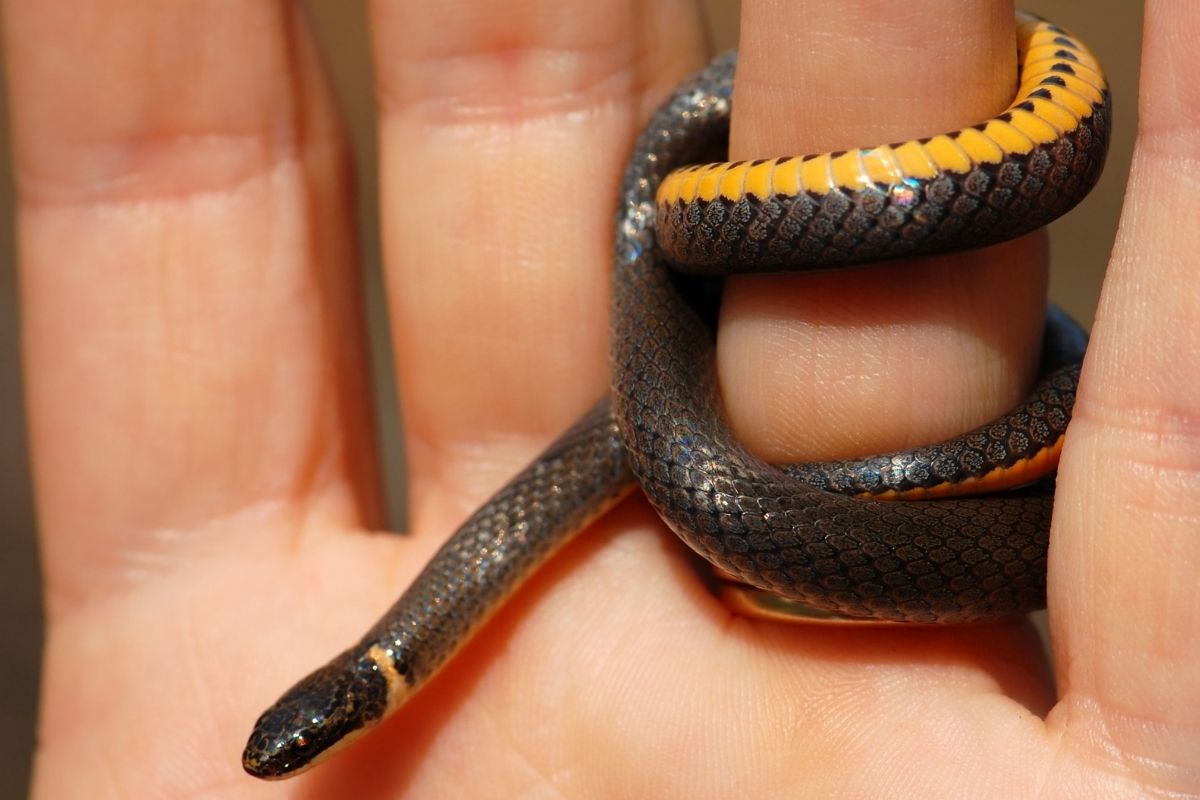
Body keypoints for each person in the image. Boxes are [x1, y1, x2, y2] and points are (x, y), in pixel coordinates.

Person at [7, 0, 1197, 795]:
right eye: (307, 741)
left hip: (728, 280)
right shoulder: (686, 447)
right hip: (724, 402)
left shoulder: (680, 375)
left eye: (305, 738)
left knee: (684, 278)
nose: (295, 755)